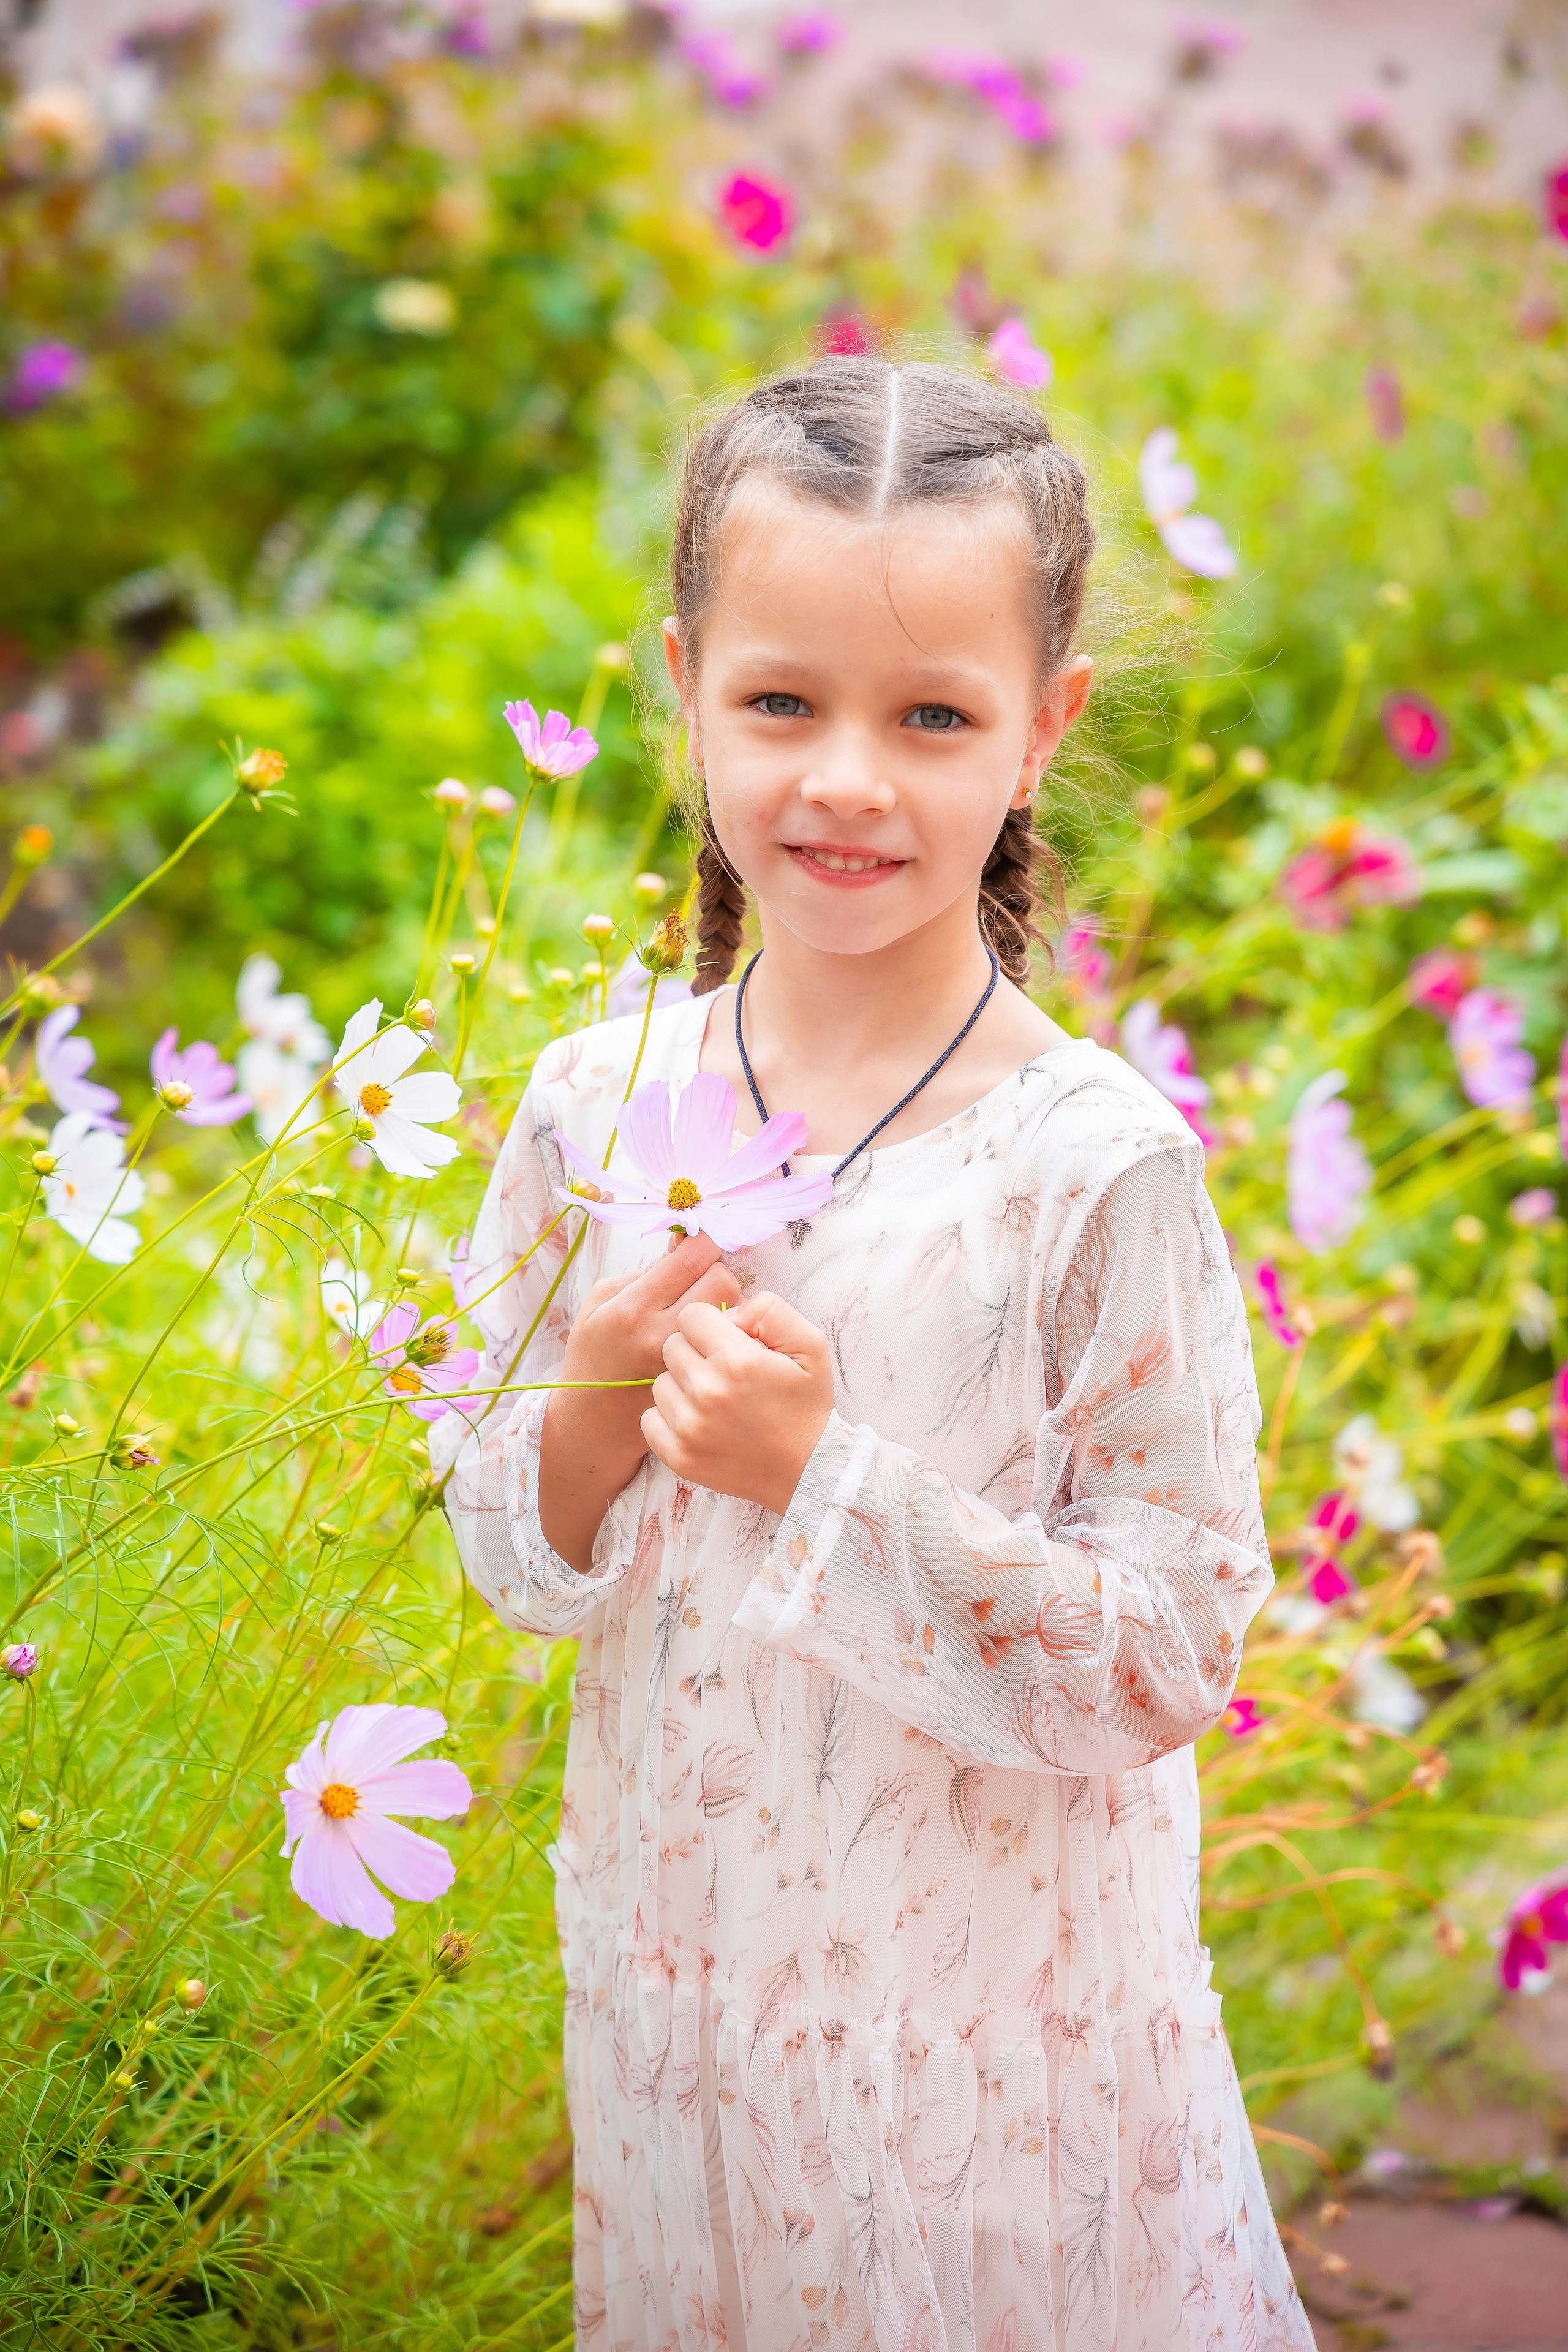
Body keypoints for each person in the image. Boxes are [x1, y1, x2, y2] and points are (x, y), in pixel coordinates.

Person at [433, 356, 1312, 2352]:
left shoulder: (1088, 1164)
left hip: (997, 2037)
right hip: (691, 2005)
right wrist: (588, 1404)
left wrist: (827, 1474)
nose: (848, 778)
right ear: (685, 689)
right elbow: (507, 1551)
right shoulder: (594, 1102)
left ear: (1041, 731)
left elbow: (1173, 1645)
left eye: (931, 716)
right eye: (781, 703)